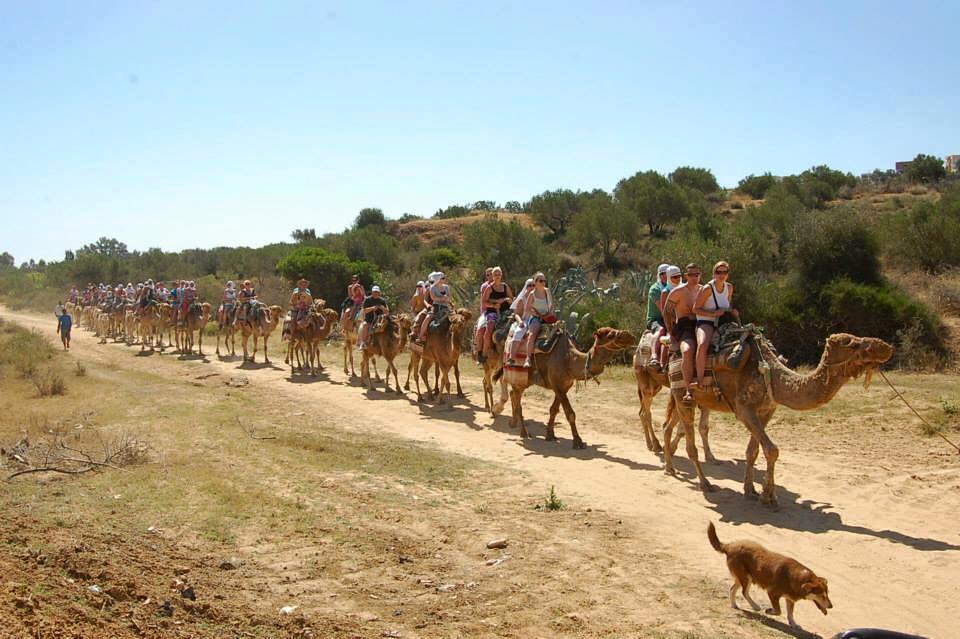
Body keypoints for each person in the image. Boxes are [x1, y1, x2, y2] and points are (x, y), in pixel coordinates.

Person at [692, 261, 739, 389]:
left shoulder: (729, 287)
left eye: (725, 272)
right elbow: (695, 309)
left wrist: (732, 311)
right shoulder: (707, 288)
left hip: (723, 322)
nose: (722, 275)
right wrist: (713, 314)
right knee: (702, 345)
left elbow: (727, 306)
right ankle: (699, 379)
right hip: (706, 321)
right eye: (719, 272)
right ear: (713, 274)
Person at [663, 263, 703, 404]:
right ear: (686, 276)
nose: (694, 277)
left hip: (701, 324)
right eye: (691, 274)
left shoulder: (703, 290)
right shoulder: (678, 292)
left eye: (697, 274)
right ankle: (689, 389)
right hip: (685, 326)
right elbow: (667, 311)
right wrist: (671, 330)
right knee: (687, 350)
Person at [477, 266, 513, 362]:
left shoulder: (505, 286)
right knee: (489, 329)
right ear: (492, 276)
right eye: (495, 274)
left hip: (505, 312)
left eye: (499, 274)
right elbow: (484, 302)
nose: (497, 276)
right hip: (492, 312)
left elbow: (511, 298)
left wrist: (507, 300)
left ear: (501, 275)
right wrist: (494, 305)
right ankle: (484, 354)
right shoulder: (489, 288)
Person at [521, 272, 555, 368]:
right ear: (535, 282)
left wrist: (549, 314)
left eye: (544, 280)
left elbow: (551, 305)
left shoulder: (547, 291)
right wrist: (537, 315)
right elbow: (527, 309)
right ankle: (527, 358)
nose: (543, 282)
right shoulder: (532, 294)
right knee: (532, 335)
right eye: (541, 280)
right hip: (536, 318)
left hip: (548, 317)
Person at [418, 272, 452, 344]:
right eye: (442, 278)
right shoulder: (432, 287)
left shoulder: (446, 287)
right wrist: (442, 299)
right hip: (436, 307)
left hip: (446, 308)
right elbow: (433, 298)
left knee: (456, 320)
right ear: (438, 279)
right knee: (428, 318)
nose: (444, 279)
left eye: (443, 278)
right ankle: (420, 336)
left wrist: (446, 299)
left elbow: (450, 298)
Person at [506, 278, 535, 364]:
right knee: (518, 332)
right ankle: (511, 357)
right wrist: (520, 322)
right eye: (529, 285)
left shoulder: (538, 297)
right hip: (525, 321)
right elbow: (516, 314)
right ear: (526, 287)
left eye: (533, 285)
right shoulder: (522, 299)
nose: (532, 287)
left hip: (535, 320)